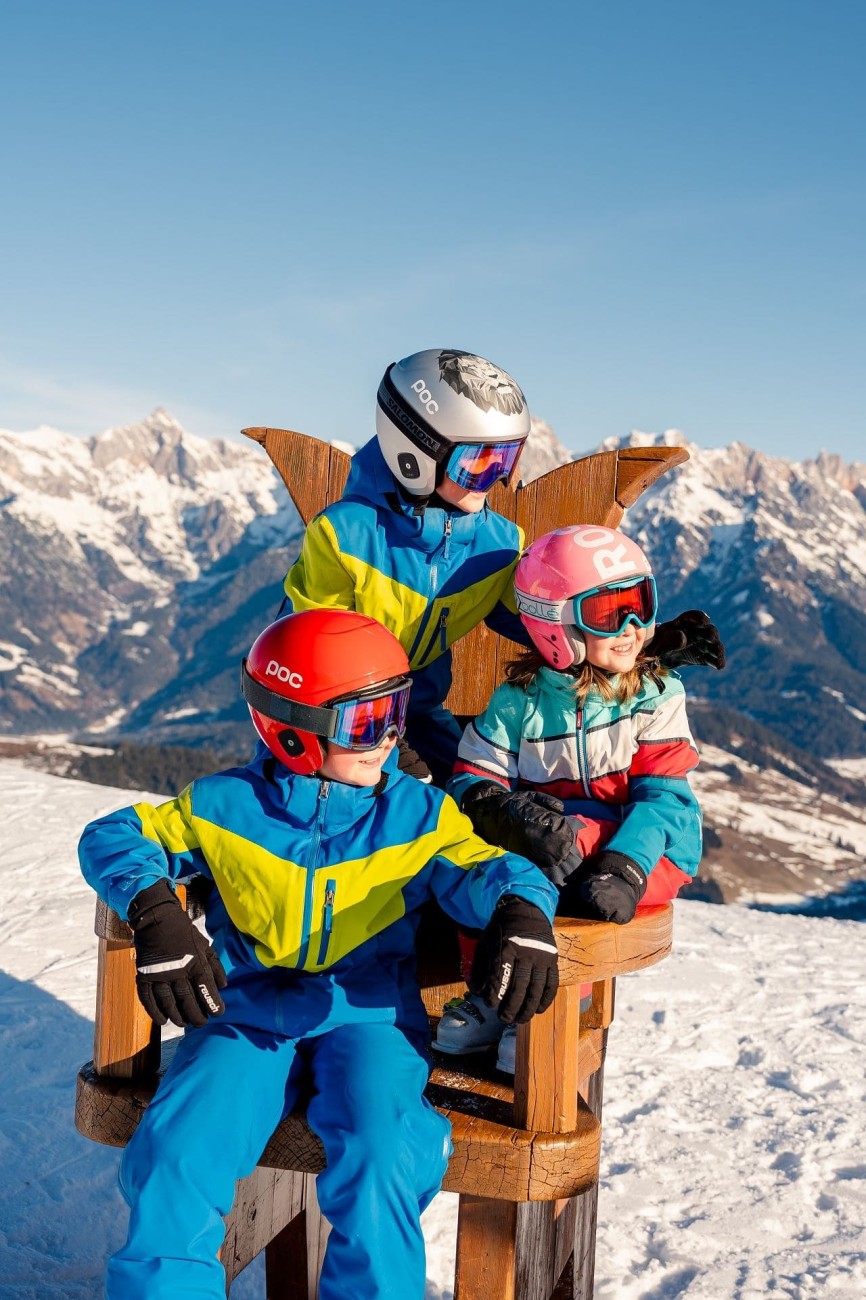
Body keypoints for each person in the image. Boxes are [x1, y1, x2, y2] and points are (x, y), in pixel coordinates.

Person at [78, 609, 560, 1300]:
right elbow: (114, 836)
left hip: (369, 1023)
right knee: (180, 1148)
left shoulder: (417, 817)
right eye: (367, 721)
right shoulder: (221, 807)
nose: (391, 737)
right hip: (245, 1018)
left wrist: (520, 910)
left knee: (384, 1151)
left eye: (396, 711)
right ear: (292, 733)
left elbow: (487, 868)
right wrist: (156, 913)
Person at [281, 347, 724, 786]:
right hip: (332, 726)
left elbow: (551, 630)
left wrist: (644, 641)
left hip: (417, 716)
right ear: (414, 452)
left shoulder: (497, 544)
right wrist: (376, 733)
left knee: (473, 797)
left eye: (507, 460)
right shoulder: (344, 538)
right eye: (478, 464)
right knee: (379, 817)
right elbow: (312, 658)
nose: (495, 478)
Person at [434, 524, 702, 1073]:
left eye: (639, 605)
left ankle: (552, 999)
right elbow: (469, 780)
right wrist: (508, 814)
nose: (631, 628)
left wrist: (626, 864)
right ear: (555, 626)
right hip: (552, 843)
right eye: (609, 613)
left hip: (649, 846)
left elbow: (666, 799)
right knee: (477, 863)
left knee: (564, 857)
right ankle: (493, 990)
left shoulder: (656, 695)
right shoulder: (518, 703)